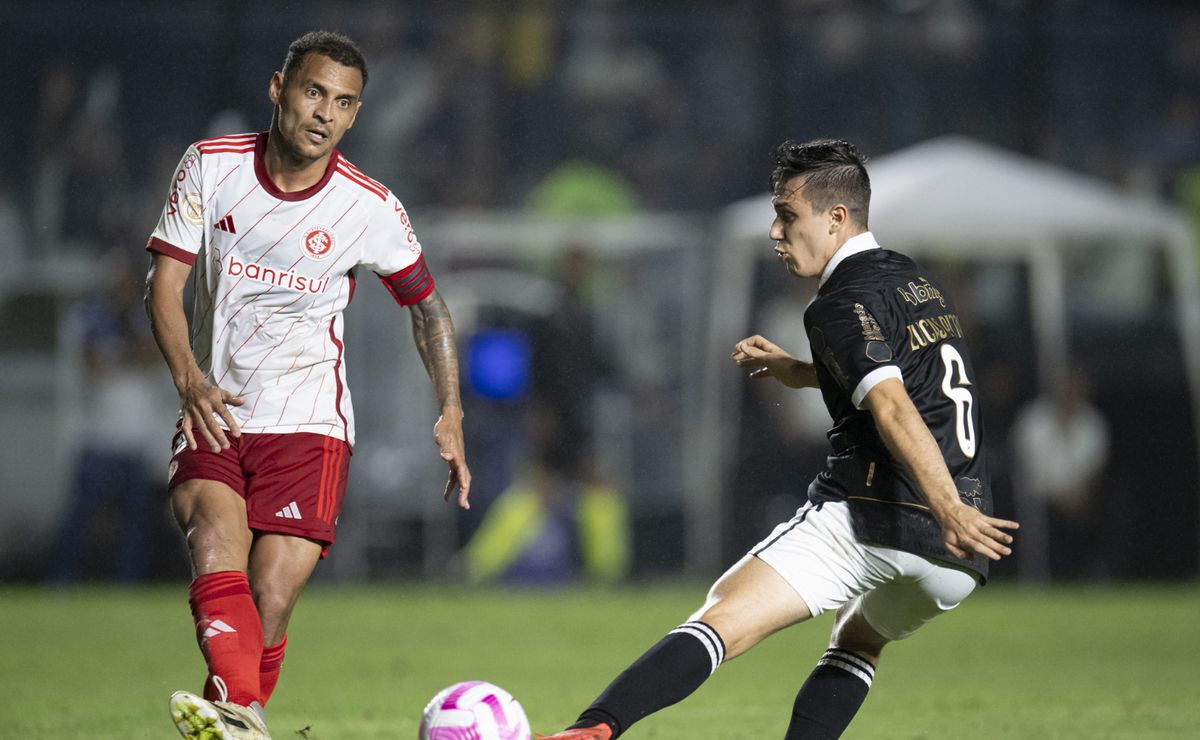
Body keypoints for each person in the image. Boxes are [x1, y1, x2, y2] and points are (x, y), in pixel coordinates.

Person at [538, 139, 1018, 740]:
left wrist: (944, 505)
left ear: (835, 217)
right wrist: (800, 372)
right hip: (958, 555)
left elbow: (894, 406)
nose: (774, 231)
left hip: (879, 515)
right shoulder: (910, 279)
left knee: (721, 616)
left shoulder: (837, 303)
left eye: (787, 215)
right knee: (858, 639)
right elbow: (914, 382)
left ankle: (593, 730)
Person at [143, 31, 471, 740]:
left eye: (343, 102)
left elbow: (429, 308)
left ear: (354, 117)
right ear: (278, 89)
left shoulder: (369, 206)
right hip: (214, 408)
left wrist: (449, 409)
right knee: (211, 541)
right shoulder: (212, 166)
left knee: (271, 595)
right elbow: (162, 286)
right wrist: (189, 379)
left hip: (310, 423)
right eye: (314, 91)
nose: (324, 112)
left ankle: (238, 718)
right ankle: (243, 716)